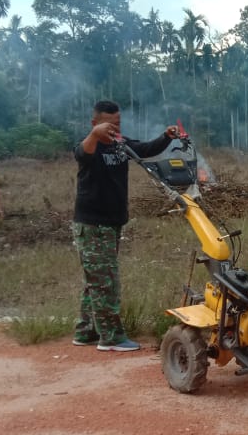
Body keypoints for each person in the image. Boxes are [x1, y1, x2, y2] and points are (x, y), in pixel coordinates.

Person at [72, 100, 181, 352]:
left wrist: (166, 137)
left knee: (96, 280)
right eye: (108, 123)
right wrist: (94, 135)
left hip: (112, 223)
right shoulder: (90, 145)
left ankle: (85, 331)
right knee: (106, 282)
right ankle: (110, 338)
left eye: (118, 123)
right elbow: (82, 153)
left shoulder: (121, 145)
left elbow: (145, 149)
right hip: (92, 224)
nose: (114, 127)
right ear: (95, 123)